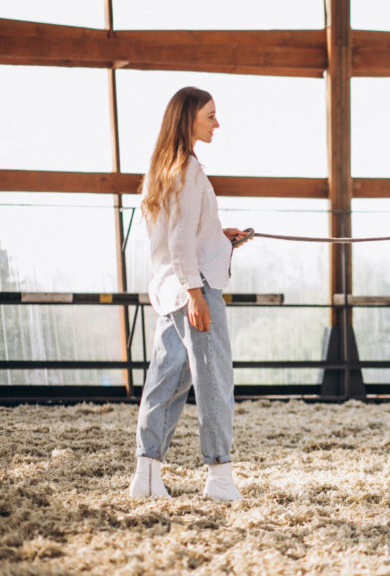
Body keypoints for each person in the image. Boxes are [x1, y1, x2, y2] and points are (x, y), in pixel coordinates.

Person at [128, 86, 249, 501]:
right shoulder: (190, 171)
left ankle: (146, 475)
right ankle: (220, 477)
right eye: (210, 116)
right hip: (194, 289)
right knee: (214, 380)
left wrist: (221, 236)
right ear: (189, 120)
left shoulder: (164, 169)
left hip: (170, 289)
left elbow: (181, 236)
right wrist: (197, 295)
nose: (217, 123)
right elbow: (181, 243)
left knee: (167, 378)